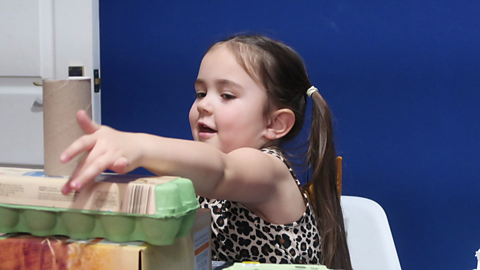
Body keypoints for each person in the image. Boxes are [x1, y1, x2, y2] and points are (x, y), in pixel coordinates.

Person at [60, 35, 352, 269]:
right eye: (201, 92)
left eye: (226, 95)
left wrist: (139, 145)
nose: (203, 104)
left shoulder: (270, 171)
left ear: (275, 124)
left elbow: (222, 171)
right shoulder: (203, 173)